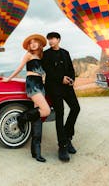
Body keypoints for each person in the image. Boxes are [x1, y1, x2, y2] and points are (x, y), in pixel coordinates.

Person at [3, 34, 51, 162]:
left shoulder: (41, 56)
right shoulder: (28, 55)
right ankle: (22, 117)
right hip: (32, 83)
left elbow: (45, 70)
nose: (33, 44)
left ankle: (36, 152)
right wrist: (9, 78)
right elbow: (19, 68)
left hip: (40, 83)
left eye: (35, 42)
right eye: (31, 43)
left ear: (40, 44)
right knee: (46, 110)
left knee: (38, 118)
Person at [42, 32, 80, 162]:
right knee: (60, 113)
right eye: (49, 39)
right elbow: (48, 71)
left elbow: (70, 68)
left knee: (76, 108)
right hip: (54, 87)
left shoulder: (65, 52)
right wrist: (61, 78)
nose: (50, 41)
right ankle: (62, 146)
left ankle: (67, 137)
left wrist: (72, 80)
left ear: (58, 39)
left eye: (53, 39)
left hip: (67, 87)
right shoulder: (46, 54)